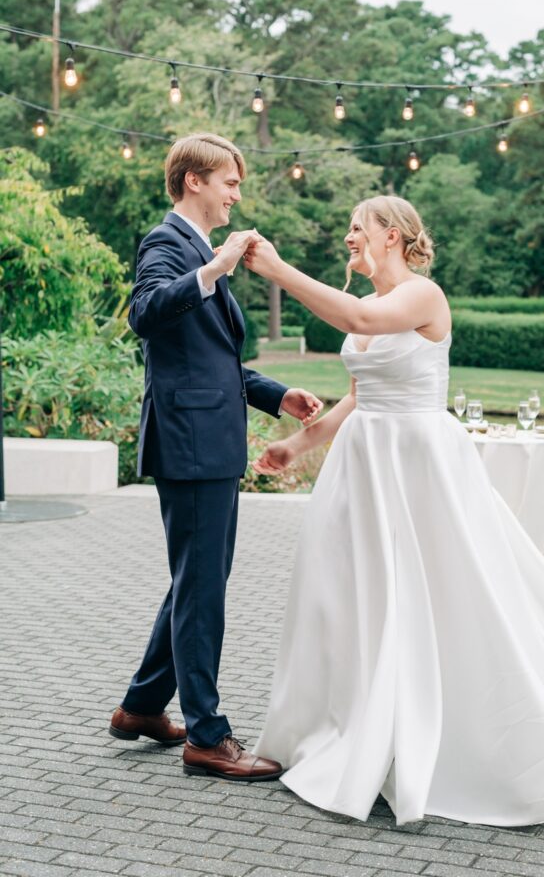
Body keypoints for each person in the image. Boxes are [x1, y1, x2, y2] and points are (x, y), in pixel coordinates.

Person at [243, 194, 544, 826]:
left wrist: (280, 272)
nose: (348, 238)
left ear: (391, 236)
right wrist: (299, 443)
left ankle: (482, 729)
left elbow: (365, 328)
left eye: (357, 228)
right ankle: (357, 722)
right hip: (365, 469)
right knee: (360, 598)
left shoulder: (423, 297)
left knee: (449, 596)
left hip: (420, 465)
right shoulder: (370, 305)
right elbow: (361, 394)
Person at [109, 133, 323, 782]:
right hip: (190, 445)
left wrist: (276, 393)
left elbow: (212, 361)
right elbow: (144, 315)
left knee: (194, 582)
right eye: (229, 180)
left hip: (210, 439)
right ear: (193, 181)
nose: (236, 192)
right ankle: (207, 735)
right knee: (201, 588)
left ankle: (143, 707)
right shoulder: (167, 243)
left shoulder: (199, 252)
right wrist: (215, 269)